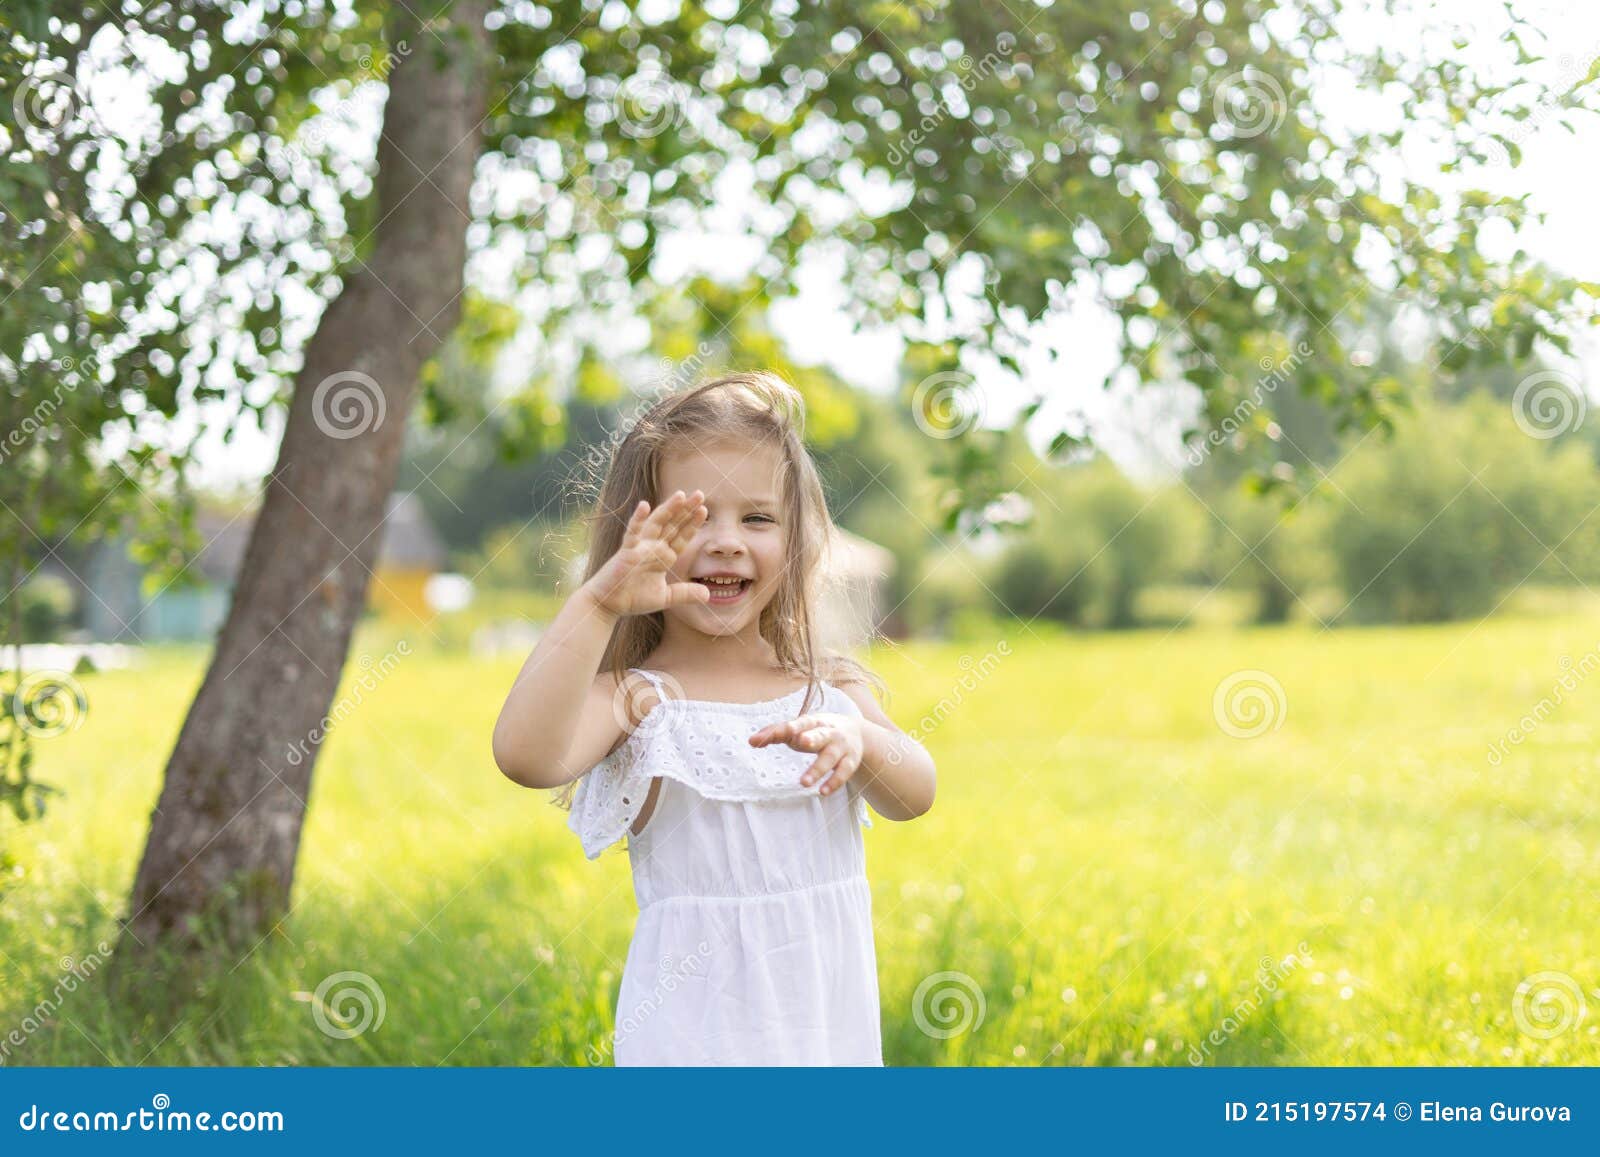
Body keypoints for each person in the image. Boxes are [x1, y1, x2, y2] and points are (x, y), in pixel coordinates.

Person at [492, 371, 937, 1065]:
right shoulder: (641, 698)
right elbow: (524, 754)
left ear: (795, 542)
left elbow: (917, 792)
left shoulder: (829, 687)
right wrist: (601, 601)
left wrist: (863, 738)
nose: (727, 541)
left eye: (757, 518)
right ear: (637, 534)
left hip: (824, 1038)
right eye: (694, 518)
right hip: (692, 1043)